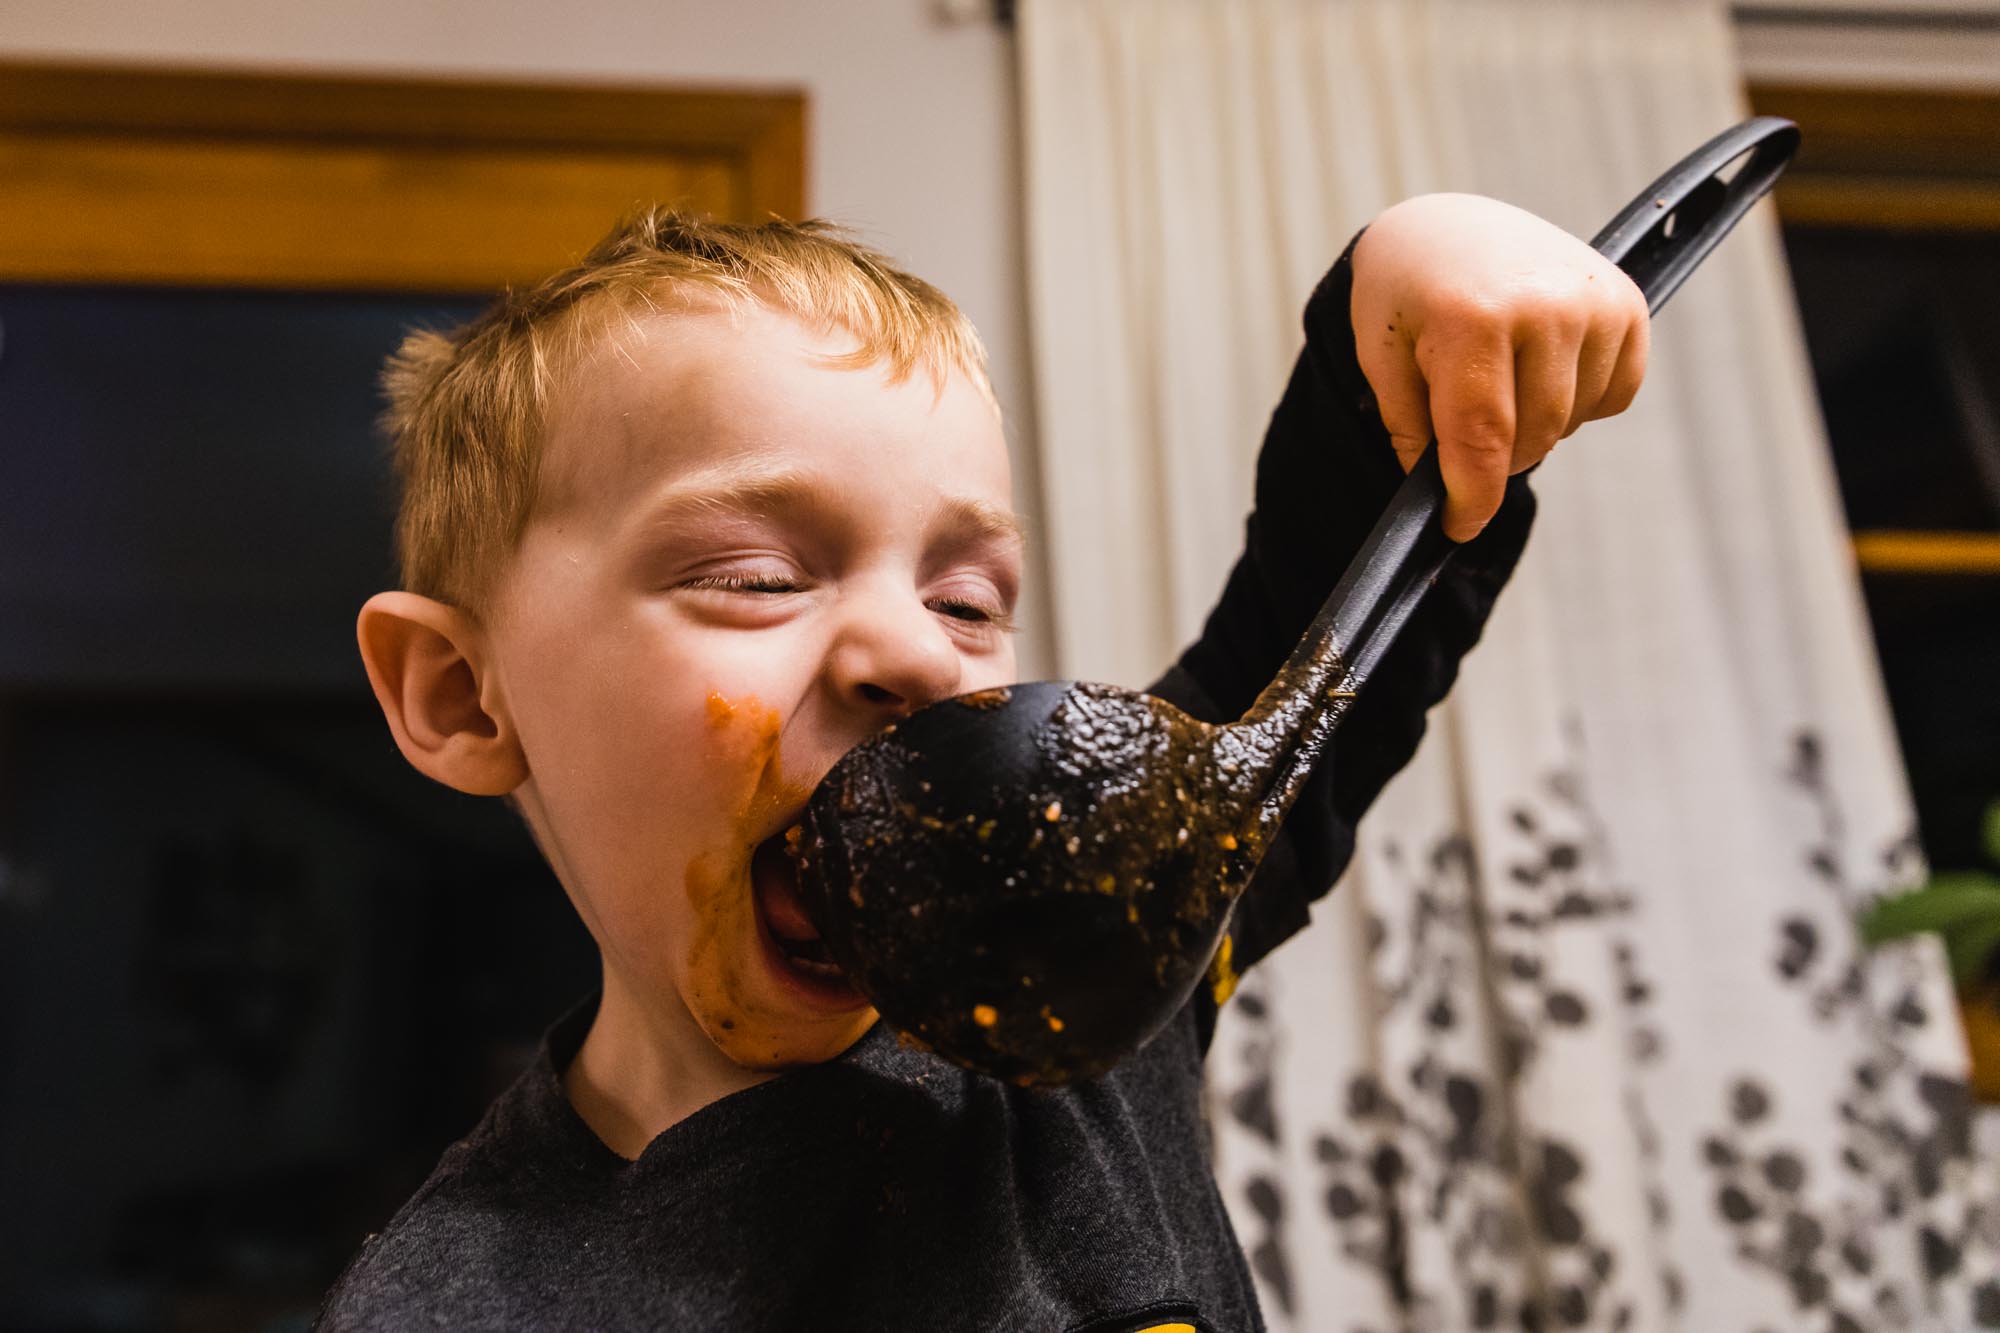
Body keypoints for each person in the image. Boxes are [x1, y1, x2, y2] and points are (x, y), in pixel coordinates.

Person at [318, 196, 1647, 1331]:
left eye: (966, 601)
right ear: (463, 696)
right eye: (757, 576)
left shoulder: (1075, 969)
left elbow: (1320, 634)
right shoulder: (455, 1300)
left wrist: (1413, 279)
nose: (913, 652)